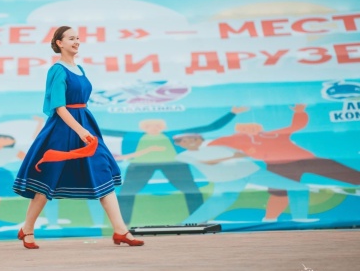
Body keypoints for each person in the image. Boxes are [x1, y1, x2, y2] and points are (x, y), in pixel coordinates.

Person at [12, 26, 144, 249]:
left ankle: (121, 231)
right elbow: (59, 107)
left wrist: (84, 128)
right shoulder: (57, 70)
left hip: (85, 123)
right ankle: (28, 229)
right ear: (59, 43)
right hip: (62, 130)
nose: (76, 42)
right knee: (46, 182)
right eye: (71, 38)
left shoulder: (79, 68)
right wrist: (80, 130)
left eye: (78, 38)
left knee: (102, 173)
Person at [210, 104, 360, 221]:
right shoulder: (234, 139)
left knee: (342, 172)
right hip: (278, 165)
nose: (252, 129)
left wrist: (299, 112)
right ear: (239, 129)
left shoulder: (273, 134)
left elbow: (296, 126)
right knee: (279, 194)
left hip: (305, 159)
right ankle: (270, 219)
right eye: (246, 127)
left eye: (254, 126)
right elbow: (213, 145)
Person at [103, 106, 248, 225]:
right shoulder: (134, 136)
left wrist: (232, 113)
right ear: (144, 127)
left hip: (174, 164)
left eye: (157, 126)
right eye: (149, 126)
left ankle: (199, 220)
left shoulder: (174, 134)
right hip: (140, 165)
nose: (153, 128)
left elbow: (210, 127)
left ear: (163, 127)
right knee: (126, 192)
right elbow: (106, 132)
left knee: (192, 190)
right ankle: (123, 224)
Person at [173, 134, 311, 223]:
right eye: (184, 141)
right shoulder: (184, 155)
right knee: (216, 205)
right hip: (227, 180)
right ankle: (186, 225)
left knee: (299, 187)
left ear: (199, 139)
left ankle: (300, 219)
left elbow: (243, 154)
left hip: (252, 172)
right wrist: (232, 157)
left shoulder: (218, 146)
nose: (189, 142)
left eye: (193, 139)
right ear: (180, 144)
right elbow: (209, 163)